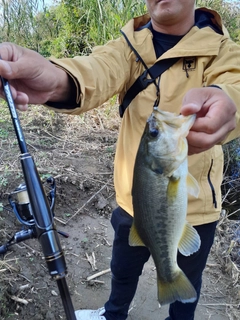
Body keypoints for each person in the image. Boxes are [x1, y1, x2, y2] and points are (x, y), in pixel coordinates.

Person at [0, 1, 240, 319]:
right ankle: (113, 314)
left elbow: (235, 83)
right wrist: (55, 78)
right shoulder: (128, 46)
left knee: (187, 289)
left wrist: (228, 101)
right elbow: (95, 71)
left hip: (200, 210)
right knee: (122, 271)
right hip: (131, 202)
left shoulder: (222, 48)